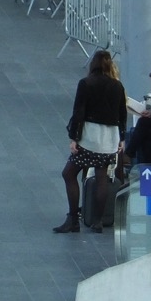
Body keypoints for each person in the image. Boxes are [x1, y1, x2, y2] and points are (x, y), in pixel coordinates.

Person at [55, 50, 127, 234]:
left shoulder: (86, 83)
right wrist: (122, 138)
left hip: (89, 137)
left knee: (69, 174)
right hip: (109, 138)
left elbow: (78, 112)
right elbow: (122, 114)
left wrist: (74, 137)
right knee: (102, 176)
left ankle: (73, 219)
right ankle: (98, 221)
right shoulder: (117, 85)